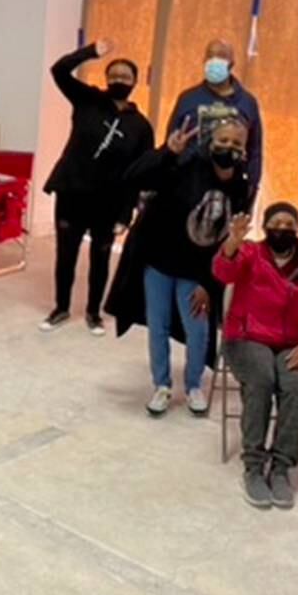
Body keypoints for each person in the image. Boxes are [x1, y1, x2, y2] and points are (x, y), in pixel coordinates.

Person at [106, 117, 253, 417]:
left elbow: (227, 238)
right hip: (160, 260)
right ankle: (161, 385)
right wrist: (167, 153)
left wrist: (210, 283)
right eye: (223, 141)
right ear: (211, 142)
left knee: (198, 330)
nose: (229, 147)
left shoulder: (241, 187)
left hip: (198, 271)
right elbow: (133, 177)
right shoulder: (185, 167)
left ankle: (194, 385)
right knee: (157, 327)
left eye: (236, 143)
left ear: (246, 149)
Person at [214, 203, 298, 510]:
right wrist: (232, 243)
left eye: (289, 223)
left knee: (295, 384)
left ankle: (281, 468)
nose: (283, 228)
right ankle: (253, 466)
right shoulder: (251, 253)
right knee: (261, 380)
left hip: (293, 343)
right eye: (276, 222)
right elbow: (222, 272)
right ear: (266, 228)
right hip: (247, 337)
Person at [41, 39, 154, 335]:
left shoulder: (141, 127)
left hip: (109, 202)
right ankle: (61, 307)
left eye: (125, 77)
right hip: (72, 192)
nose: (119, 80)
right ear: (106, 79)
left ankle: (94, 312)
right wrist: (90, 52)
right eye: (114, 75)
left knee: (101, 259)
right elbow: (59, 70)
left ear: (135, 83)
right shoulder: (86, 100)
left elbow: (140, 173)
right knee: (66, 254)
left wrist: (126, 212)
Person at [165, 39, 264, 190]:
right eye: (211, 56)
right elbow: (171, 142)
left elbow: (254, 150)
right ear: (204, 61)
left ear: (231, 64)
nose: (215, 60)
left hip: (230, 185)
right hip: (188, 183)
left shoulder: (248, 103)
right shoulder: (188, 99)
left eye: (221, 56)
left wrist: (251, 186)